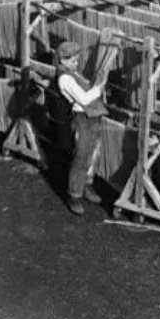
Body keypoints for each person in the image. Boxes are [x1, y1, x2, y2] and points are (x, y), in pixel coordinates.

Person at [55, 41, 108, 216]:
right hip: (82, 120)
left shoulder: (73, 73)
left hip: (93, 118)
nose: (76, 64)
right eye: (72, 61)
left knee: (94, 156)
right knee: (81, 158)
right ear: (62, 60)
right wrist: (99, 88)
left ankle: (87, 186)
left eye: (77, 60)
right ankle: (74, 195)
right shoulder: (64, 78)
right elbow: (84, 99)